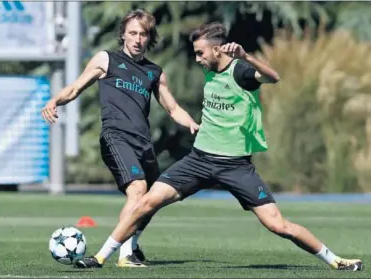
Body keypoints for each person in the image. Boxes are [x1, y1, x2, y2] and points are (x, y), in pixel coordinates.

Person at [74, 22, 363, 271]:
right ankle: (100, 257)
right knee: (146, 201)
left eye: (200, 53)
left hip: (235, 166)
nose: (197, 59)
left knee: (278, 225)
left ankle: (336, 260)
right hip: (198, 160)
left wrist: (246, 56)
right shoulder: (211, 70)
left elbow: (273, 78)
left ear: (217, 50)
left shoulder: (241, 73)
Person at [41, 9, 199, 268]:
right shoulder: (107, 60)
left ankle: (132, 245)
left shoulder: (155, 73)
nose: (138, 39)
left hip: (143, 143)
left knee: (152, 199)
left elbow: (173, 109)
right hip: (116, 137)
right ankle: (125, 255)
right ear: (123, 35)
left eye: (143, 34)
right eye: (133, 33)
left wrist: (192, 123)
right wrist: (55, 100)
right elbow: (75, 87)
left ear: (150, 38)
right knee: (137, 189)